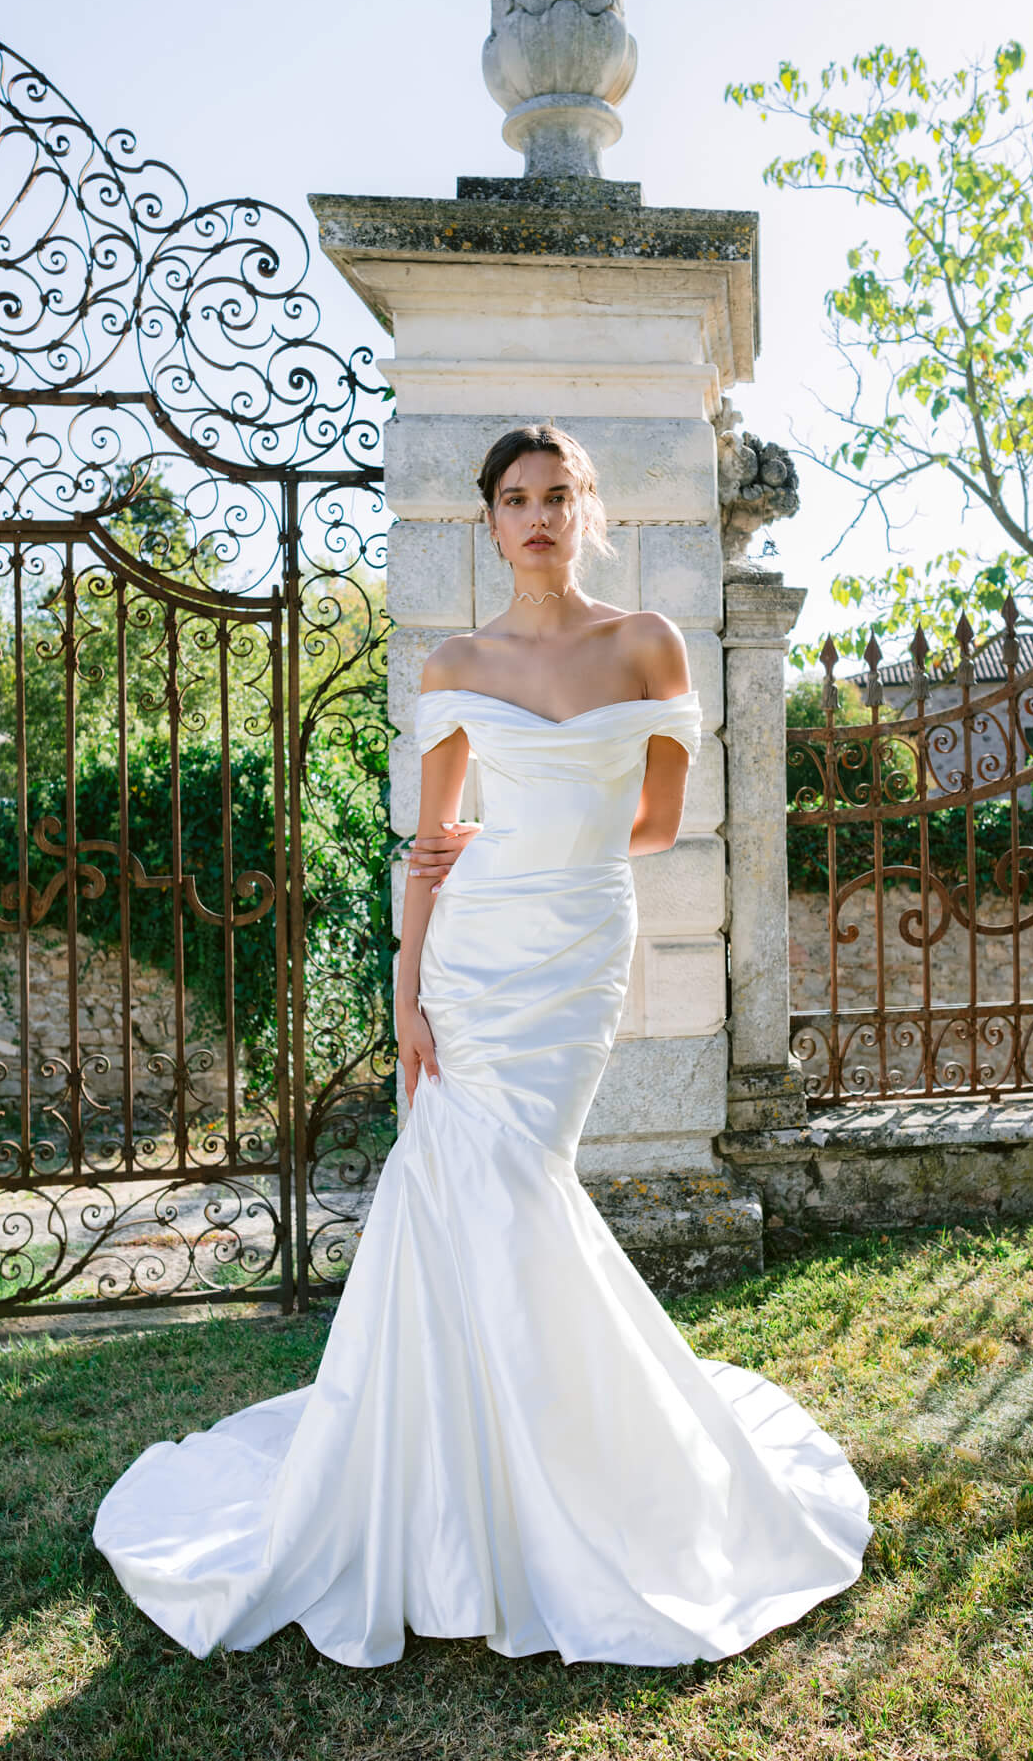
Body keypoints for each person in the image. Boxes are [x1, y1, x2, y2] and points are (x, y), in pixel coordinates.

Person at [93, 420, 872, 1668]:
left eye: (559, 492)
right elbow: (430, 839)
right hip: (469, 957)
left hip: (571, 953)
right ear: (492, 521)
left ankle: (564, 1474)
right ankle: (459, 1489)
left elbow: (659, 821)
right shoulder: (455, 661)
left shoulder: (647, 642)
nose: (539, 514)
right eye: (516, 497)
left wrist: (564, 851)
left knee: (520, 1182)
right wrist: (409, 985)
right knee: (460, 1186)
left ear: (589, 504)